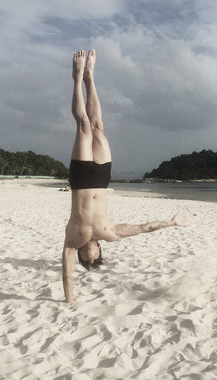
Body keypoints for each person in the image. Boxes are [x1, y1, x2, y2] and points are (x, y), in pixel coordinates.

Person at [62, 50, 188, 303]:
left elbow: (67, 276)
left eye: (86, 260)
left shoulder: (71, 242)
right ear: (99, 248)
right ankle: (90, 77)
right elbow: (143, 228)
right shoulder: (109, 232)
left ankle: (78, 79)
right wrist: (172, 222)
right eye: (94, 258)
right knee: (97, 126)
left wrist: (70, 299)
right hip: (101, 178)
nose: (89, 256)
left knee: (84, 126)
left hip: (81, 180)